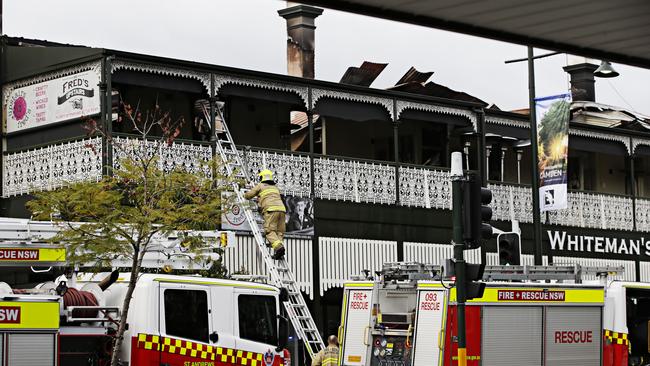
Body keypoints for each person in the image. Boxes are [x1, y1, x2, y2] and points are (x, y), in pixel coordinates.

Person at [244, 169, 286, 260]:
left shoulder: (261, 186)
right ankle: (279, 250)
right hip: (282, 210)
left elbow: (249, 195)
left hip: (271, 210)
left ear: (262, 177)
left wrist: (244, 194)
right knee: (279, 232)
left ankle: (278, 247)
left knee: (269, 231)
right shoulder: (276, 188)